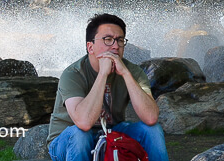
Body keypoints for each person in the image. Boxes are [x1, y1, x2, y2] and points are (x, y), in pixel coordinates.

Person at [47, 13, 168, 161]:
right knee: (80, 135)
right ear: (90, 47)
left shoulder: (132, 71)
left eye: (120, 40)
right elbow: (83, 123)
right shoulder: (73, 74)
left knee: (152, 130)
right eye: (108, 40)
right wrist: (103, 74)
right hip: (68, 140)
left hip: (112, 133)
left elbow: (151, 118)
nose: (116, 46)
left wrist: (125, 73)